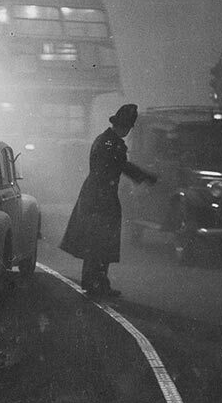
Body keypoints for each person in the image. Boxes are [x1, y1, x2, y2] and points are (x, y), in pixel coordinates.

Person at [59, 103, 157, 298]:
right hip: (100, 197)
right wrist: (144, 176)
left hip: (97, 195)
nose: (128, 131)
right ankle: (96, 283)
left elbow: (117, 167)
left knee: (96, 242)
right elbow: (120, 166)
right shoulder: (110, 144)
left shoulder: (105, 141)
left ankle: (96, 282)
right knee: (100, 242)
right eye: (128, 127)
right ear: (124, 126)